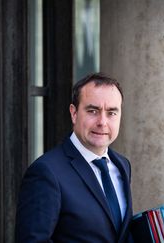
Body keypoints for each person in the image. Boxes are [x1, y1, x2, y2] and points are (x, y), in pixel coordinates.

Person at [15, 72, 134, 243]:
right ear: (74, 113)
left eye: (111, 113)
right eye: (93, 111)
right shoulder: (46, 172)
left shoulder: (122, 165)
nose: (102, 122)